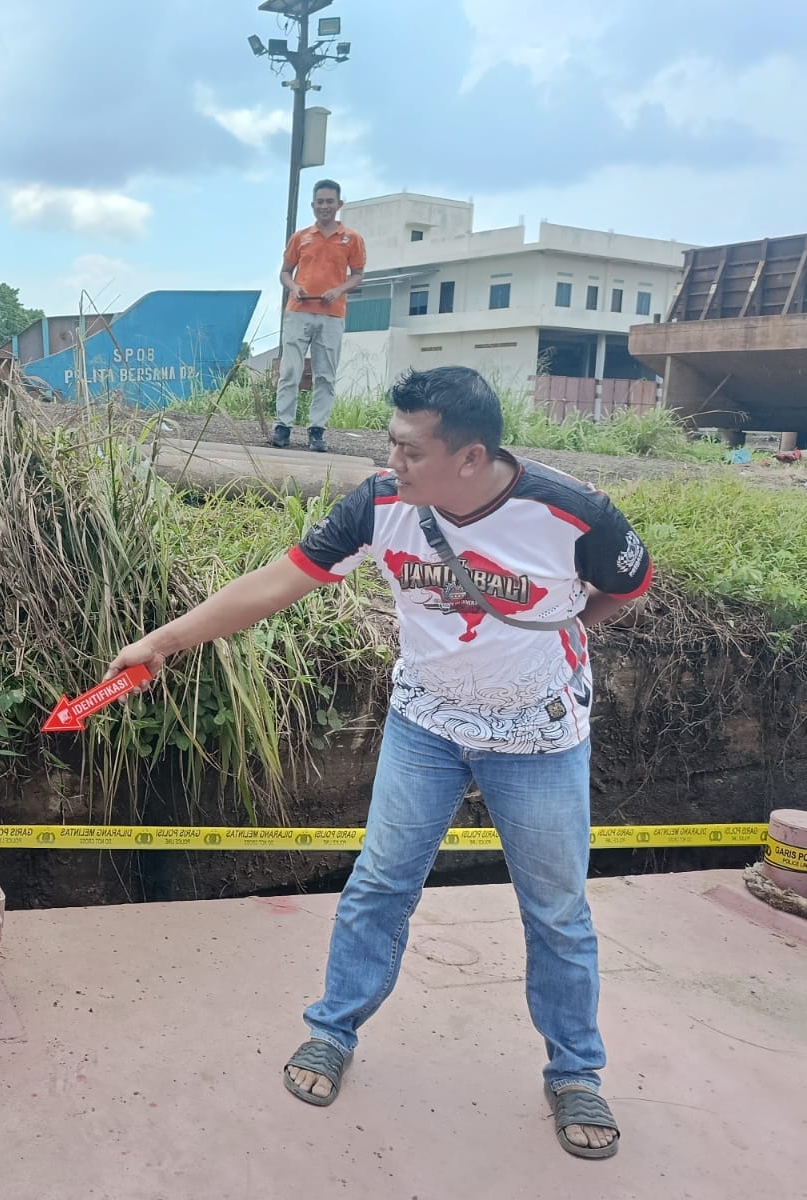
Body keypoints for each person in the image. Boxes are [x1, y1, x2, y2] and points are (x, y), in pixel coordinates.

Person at [106, 365, 652, 1161]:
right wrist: (162, 642)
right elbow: (276, 583)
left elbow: (625, 586)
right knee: (379, 883)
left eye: (408, 449)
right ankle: (332, 1029)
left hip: (538, 738)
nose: (389, 461)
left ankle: (576, 1072)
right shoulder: (379, 505)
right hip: (424, 727)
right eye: (389, 445)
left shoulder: (572, 513)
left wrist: (559, 631)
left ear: (470, 458)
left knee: (557, 911)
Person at [272, 179, 365, 453]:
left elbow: (358, 275)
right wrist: (294, 287)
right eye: (320, 202)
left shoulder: (352, 239)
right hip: (299, 311)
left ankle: (317, 429)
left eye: (329, 201)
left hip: (331, 315)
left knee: (325, 374)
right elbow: (285, 272)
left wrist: (338, 290)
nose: (324, 206)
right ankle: (283, 425)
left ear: (339, 204)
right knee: (290, 370)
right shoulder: (301, 237)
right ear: (313, 205)